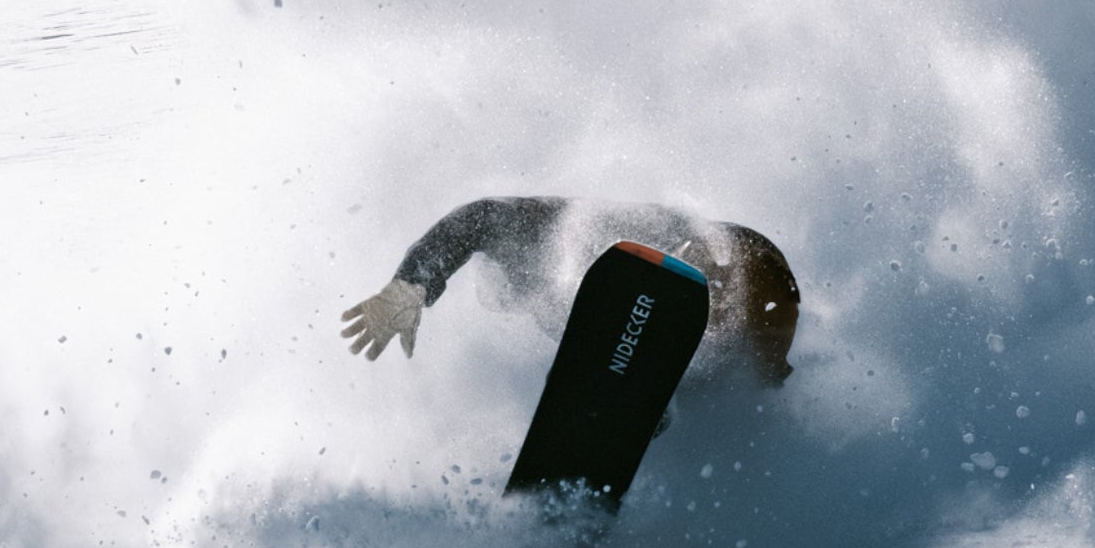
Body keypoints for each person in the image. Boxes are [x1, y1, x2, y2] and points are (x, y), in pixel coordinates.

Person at [339, 196, 799, 389]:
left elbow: (472, 219)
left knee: (686, 284)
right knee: (751, 386)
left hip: (739, 260)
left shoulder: (540, 231)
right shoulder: (561, 312)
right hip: (757, 312)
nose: (511, 301)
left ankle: (676, 329)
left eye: (507, 293)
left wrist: (409, 285)